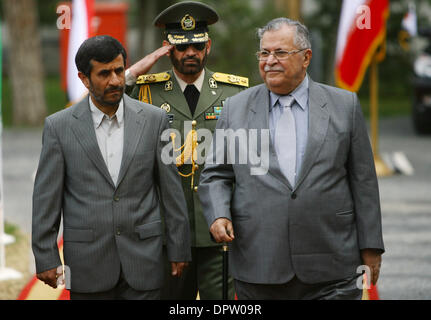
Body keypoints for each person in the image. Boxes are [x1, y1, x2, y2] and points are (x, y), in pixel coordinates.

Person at [198, 18, 385, 300]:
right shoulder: (235, 109)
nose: (269, 61)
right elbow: (216, 174)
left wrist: (370, 248)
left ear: (306, 57)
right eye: (264, 53)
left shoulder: (344, 106)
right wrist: (219, 213)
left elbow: (364, 183)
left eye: (280, 53)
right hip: (259, 264)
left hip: (332, 264)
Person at [32, 35, 191, 300]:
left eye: (119, 70)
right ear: (84, 78)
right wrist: (45, 255)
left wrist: (179, 248)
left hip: (145, 262)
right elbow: (46, 198)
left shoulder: (155, 120)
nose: (115, 81)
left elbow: (171, 191)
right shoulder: (59, 127)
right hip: (86, 265)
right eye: (104, 74)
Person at [126, 1, 248, 300]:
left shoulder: (235, 92)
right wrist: (131, 74)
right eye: (181, 47)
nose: (190, 53)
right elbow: (102, 107)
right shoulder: (144, 91)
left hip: (218, 229)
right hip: (166, 234)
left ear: (208, 46)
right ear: (168, 49)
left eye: (197, 45)